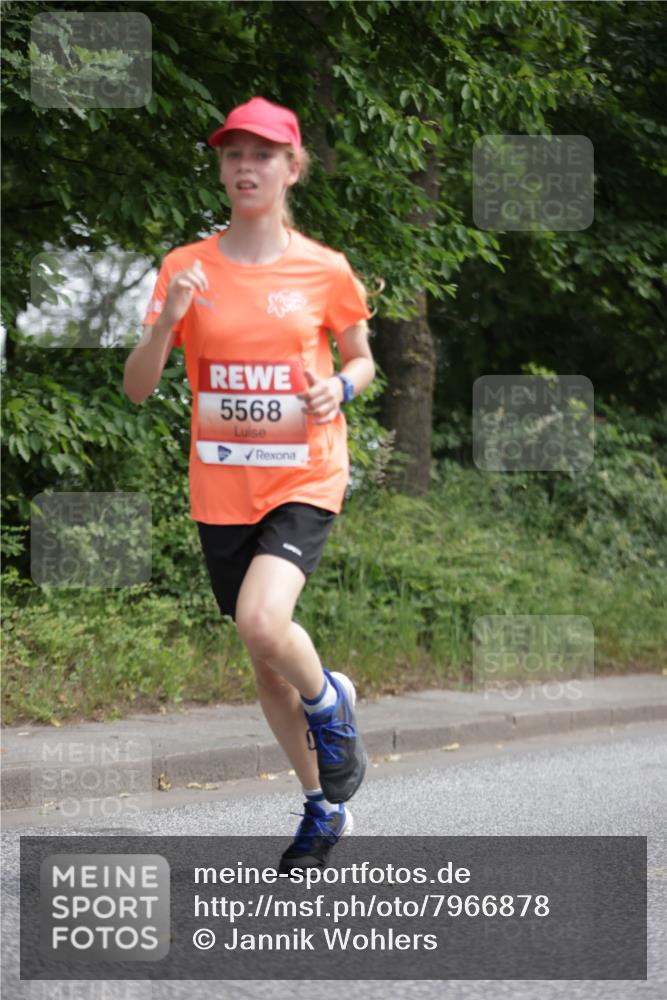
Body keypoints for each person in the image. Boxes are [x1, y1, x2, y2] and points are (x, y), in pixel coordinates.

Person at [124, 96, 376, 874]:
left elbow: (363, 357)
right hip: (221, 489)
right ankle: (323, 804)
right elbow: (136, 389)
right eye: (233, 153)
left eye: (262, 154)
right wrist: (167, 322)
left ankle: (330, 706)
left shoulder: (325, 269)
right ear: (221, 167)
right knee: (264, 662)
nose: (245, 166)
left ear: (291, 167)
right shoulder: (185, 268)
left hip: (305, 474)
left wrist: (343, 386)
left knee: (265, 623)